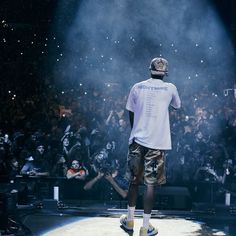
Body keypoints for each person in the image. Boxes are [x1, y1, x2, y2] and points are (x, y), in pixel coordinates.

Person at [120, 57, 181, 236]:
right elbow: (177, 106)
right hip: (157, 144)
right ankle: (145, 228)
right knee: (150, 186)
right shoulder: (171, 88)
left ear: (150, 70)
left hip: (137, 141)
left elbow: (130, 113)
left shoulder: (137, 87)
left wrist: (137, 130)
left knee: (133, 181)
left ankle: (130, 221)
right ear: (165, 73)